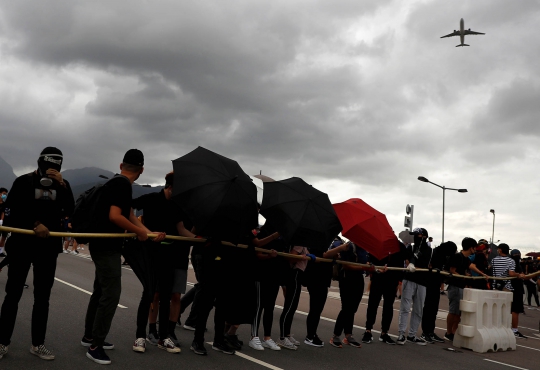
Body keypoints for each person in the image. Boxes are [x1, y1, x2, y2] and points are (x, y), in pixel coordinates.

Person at [82, 149, 165, 365]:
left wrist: (148, 232)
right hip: (106, 247)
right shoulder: (122, 185)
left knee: (100, 290)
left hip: (102, 245)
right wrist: (140, 233)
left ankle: (89, 336)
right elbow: (115, 216)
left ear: (121, 165)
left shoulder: (116, 182)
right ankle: (95, 346)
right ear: (142, 170)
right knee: (111, 294)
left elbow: (128, 215)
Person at [0, 147, 74, 361]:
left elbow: (70, 211)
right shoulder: (23, 182)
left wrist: (63, 185)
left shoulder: (62, 186)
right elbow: (10, 215)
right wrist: (35, 224)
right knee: (12, 294)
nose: (50, 171)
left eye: (56, 167)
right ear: (40, 163)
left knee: (43, 298)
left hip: (48, 248)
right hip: (22, 245)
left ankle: (38, 343)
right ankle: (2, 341)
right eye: (48, 166)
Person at [131, 171, 194, 354]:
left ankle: (164, 336)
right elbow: (130, 210)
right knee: (149, 294)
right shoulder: (151, 198)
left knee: (166, 295)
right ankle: (140, 336)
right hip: (150, 253)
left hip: (170, 255)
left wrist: (200, 239)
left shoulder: (176, 205)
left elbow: (181, 229)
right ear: (170, 187)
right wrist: (146, 231)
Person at [361, 241, 407, 346]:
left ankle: (384, 332)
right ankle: (368, 330)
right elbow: (370, 261)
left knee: (388, 306)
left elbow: (402, 261)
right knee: (373, 304)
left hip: (391, 281)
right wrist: (376, 269)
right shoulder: (378, 244)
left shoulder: (399, 246)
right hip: (378, 278)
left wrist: (399, 280)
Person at [249, 223, 286, 351]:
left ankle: (267, 338)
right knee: (258, 306)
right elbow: (258, 253)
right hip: (261, 274)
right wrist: (269, 256)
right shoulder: (263, 233)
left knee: (270, 307)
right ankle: (254, 337)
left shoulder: (283, 236)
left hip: (275, 275)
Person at [444, 237, 488, 341]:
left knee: (459, 312)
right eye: (474, 247)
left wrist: (482, 274)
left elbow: (471, 266)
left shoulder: (466, 258)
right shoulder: (457, 256)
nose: (475, 249)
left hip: (461, 286)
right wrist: (464, 276)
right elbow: (452, 270)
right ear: (470, 247)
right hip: (454, 286)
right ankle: (449, 332)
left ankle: (454, 332)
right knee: (453, 311)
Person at [327, 239, 369, 348]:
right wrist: (363, 267)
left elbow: (365, 264)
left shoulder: (365, 249)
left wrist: (370, 268)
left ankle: (348, 335)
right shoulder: (349, 247)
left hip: (359, 279)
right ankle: (335, 336)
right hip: (347, 279)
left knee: (353, 309)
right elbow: (346, 266)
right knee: (346, 308)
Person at [396, 227, 432, 345]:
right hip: (409, 279)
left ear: (424, 237)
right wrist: (410, 263)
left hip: (422, 281)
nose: (416, 238)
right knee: (405, 307)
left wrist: (415, 264)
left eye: (418, 236)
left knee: (418, 309)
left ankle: (412, 334)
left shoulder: (428, 250)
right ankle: (401, 333)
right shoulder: (410, 247)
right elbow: (407, 260)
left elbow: (425, 263)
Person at [420, 241, 457, 344]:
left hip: (436, 285)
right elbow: (428, 267)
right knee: (428, 309)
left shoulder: (444, 256)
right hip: (429, 284)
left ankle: (431, 332)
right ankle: (425, 332)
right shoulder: (434, 253)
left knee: (434, 309)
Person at [277, 245, 310, 350]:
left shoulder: (304, 245)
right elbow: (291, 258)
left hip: (298, 276)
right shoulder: (298, 244)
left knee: (293, 307)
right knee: (289, 307)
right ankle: (282, 337)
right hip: (294, 274)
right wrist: (301, 257)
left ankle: (287, 335)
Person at [491, 244, 527, 339]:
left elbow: (492, 270)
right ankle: (509, 329)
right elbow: (511, 273)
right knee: (507, 309)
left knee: (497, 308)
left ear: (500, 250)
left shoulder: (494, 260)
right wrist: (519, 275)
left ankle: (496, 327)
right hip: (507, 286)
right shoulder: (510, 261)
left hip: (496, 285)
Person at [0, 187, 8, 257]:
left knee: (4, 237)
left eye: (6, 194)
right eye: (4, 194)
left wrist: (1, 220)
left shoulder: (5, 204)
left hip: (3, 223)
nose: (5, 195)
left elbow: (3, 212)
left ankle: (1, 251)